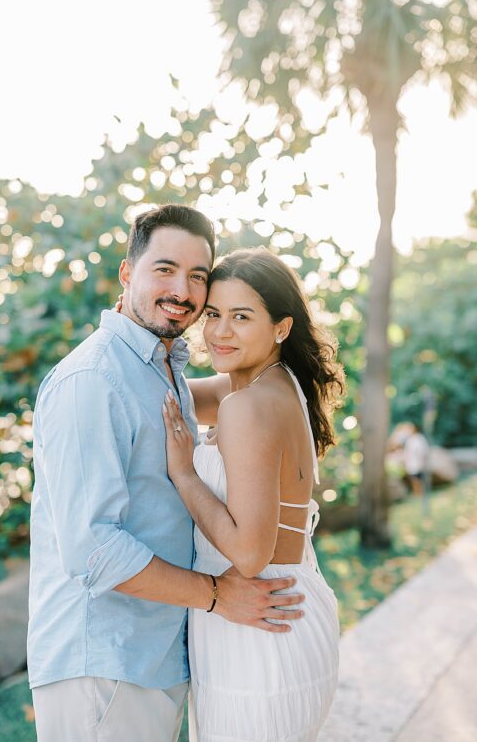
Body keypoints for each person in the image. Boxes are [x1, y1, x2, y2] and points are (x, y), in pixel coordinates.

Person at [27, 205, 306, 742]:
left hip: (154, 655)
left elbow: (251, 392)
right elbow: (93, 550)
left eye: (197, 276)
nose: (182, 290)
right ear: (126, 273)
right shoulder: (92, 379)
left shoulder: (161, 371)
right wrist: (217, 595)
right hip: (104, 661)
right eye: (165, 269)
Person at [163, 247, 344, 740]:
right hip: (284, 609)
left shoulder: (247, 405)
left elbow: (248, 554)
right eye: (213, 314)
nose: (220, 332)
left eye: (241, 317)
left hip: (258, 624)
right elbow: (165, 392)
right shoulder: (272, 386)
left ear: (281, 327)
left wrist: (185, 474)